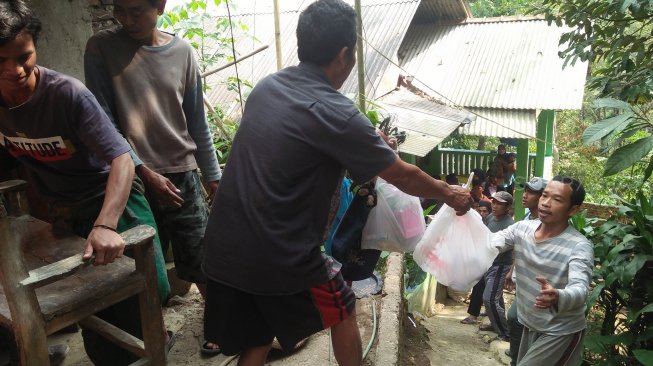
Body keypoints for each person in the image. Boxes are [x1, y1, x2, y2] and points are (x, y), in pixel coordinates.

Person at [200, 1, 473, 365]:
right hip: (280, 253)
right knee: (342, 307)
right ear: (345, 53)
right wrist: (450, 193)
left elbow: (298, 149)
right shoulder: (339, 113)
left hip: (223, 246)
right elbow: (402, 175)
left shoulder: (268, 87)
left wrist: (365, 144)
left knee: (259, 330)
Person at [0, 1, 172, 364]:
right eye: (0, 62)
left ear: (35, 46)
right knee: (95, 316)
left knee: (142, 296)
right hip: (63, 210)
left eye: (24, 56)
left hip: (110, 199)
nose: (14, 71)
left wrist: (106, 223)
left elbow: (121, 159)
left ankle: (155, 343)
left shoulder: (67, 94)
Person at [84, 0, 222, 353]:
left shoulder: (183, 52)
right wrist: (143, 170)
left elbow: (197, 122)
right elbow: (104, 122)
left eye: (136, 10)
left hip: (183, 172)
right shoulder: (101, 47)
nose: (126, 19)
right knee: (144, 267)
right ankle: (155, 333)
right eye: (119, 9)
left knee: (202, 256)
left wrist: (213, 177)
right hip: (133, 179)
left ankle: (218, 322)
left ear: (159, 5)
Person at [493, 176, 592, 365]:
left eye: (557, 199)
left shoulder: (579, 246)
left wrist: (559, 296)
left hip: (560, 332)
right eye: (545, 196)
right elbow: (492, 242)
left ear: (573, 209)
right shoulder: (522, 229)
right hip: (531, 324)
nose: (546, 203)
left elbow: (581, 288)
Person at [504, 176, 547, 364]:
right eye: (525, 190)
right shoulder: (526, 217)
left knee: (515, 318)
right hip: (523, 280)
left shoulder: (547, 224)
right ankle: (517, 355)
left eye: (531, 192)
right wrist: (511, 271)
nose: (524, 195)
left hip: (538, 284)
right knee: (516, 319)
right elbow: (519, 247)